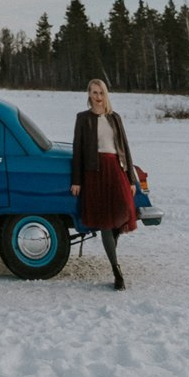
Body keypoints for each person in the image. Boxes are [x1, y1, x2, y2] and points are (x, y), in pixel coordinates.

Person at [70, 77, 139, 290]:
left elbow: (124, 148)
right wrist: (77, 180)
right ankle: (117, 270)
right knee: (105, 222)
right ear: (89, 95)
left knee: (123, 211)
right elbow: (78, 151)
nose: (98, 97)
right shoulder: (83, 118)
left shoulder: (114, 118)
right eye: (94, 93)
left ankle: (112, 253)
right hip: (94, 171)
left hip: (115, 168)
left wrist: (131, 178)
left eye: (101, 93)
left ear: (105, 94)